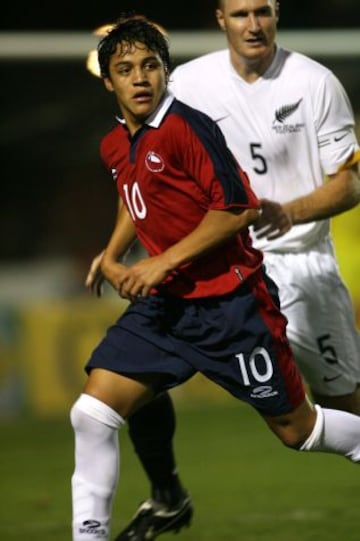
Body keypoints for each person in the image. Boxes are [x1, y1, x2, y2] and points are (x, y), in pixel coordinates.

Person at [70, 11, 360, 541]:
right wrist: (113, 254)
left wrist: (157, 261)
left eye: (149, 66)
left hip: (238, 297)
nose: (140, 77)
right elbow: (138, 195)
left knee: (304, 428)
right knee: (92, 413)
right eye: (126, 68)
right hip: (170, 302)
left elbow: (239, 207)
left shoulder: (195, 123)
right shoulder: (122, 137)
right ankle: (117, 520)